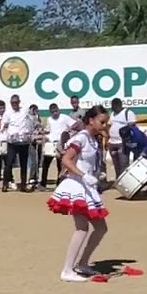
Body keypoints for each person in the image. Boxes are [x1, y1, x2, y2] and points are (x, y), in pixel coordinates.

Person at [48, 105, 110, 282]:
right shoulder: (82, 137)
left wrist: (95, 174)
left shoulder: (93, 139)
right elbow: (66, 159)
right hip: (77, 187)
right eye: (102, 122)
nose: (105, 125)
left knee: (101, 228)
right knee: (82, 228)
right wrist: (84, 175)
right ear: (91, 120)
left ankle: (82, 263)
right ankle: (67, 269)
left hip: (87, 187)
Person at [1, 94, 35, 192]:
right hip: (12, 143)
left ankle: (23, 185)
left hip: (23, 142)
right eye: (13, 102)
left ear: (19, 102)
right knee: (9, 163)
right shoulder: (7, 113)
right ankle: (5, 183)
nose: (14, 104)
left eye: (16, 102)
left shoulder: (25, 111)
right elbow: (4, 125)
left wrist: (30, 131)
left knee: (23, 164)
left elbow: (31, 120)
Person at [42, 103, 74, 187]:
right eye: (52, 111)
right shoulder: (49, 119)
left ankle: (59, 183)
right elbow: (48, 130)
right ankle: (43, 183)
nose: (54, 112)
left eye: (55, 110)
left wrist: (68, 131)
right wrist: (43, 133)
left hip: (61, 143)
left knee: (60, 164)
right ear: (50, 111)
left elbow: (74, 124)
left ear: (58, 109)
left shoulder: (64, 117)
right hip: (51, 143)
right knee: (46, 164)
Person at [119, 125, 147, 196]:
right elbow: (126, 147)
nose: (126, 139)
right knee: (136, 170)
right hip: (135, 151)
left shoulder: (138, 135)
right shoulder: (124, 137)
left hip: (145, 150)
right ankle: (136, 187)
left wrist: (143, 153)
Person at [108, 98, 137, 179]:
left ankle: (125, 181)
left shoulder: (128, 113)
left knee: (123, 163)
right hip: (112, 143)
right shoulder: (112, 114)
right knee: (116, 164)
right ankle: (118, 180)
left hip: (122, 143)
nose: (112, 107)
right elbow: (110, 125)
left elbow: (132, 126)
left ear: (119, 105)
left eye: (114, 106)